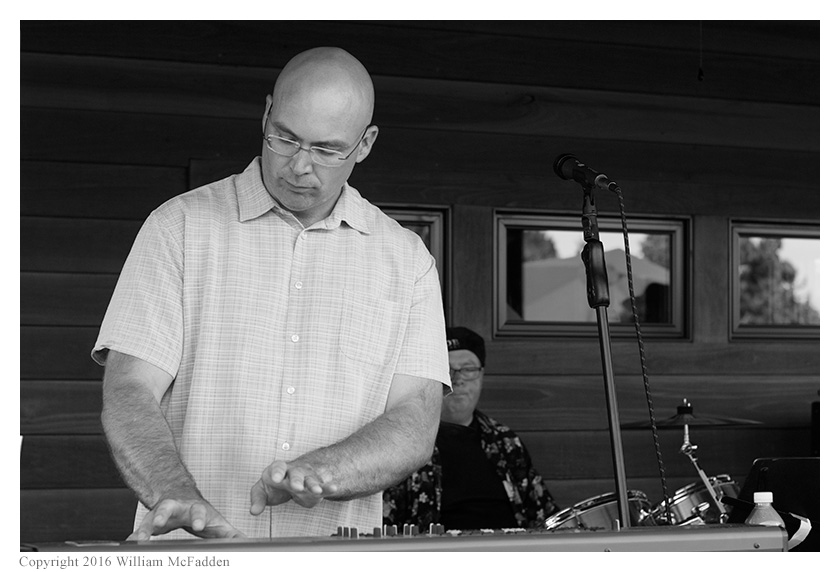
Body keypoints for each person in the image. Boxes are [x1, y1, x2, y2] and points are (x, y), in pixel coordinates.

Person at [93, 47, 450, 541]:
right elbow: (130, 389)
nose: (299, 166)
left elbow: (415, 420)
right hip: (192, 555)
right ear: (266, 114)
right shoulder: (178, 227)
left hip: (331, 557)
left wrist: (322, 471)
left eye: (326, 150)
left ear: (365, 144)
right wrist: (175, 493)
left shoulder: (407, 260)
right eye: (285, 137)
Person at [382, 327, 558, 531]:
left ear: (482, 375)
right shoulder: (406, 441)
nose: (458, 379)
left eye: (468, 369)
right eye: (448, 370)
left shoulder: (506, 443)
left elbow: (546, 518)